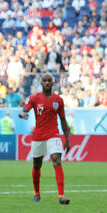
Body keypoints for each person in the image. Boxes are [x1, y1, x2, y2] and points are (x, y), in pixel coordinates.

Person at [19, 73, 71, 204]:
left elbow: (63, 120)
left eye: (49, 80)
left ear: (53, 83)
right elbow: (25, 109)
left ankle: (61, 196)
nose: (47, 83)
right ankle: (37, 193)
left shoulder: (58, 100)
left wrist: (67, 139)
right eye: (44, 81)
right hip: (38, 135)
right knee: (37, 165)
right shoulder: (35, 98)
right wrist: (22, 114)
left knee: (56, 160)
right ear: (41, 83)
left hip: (53, 133)